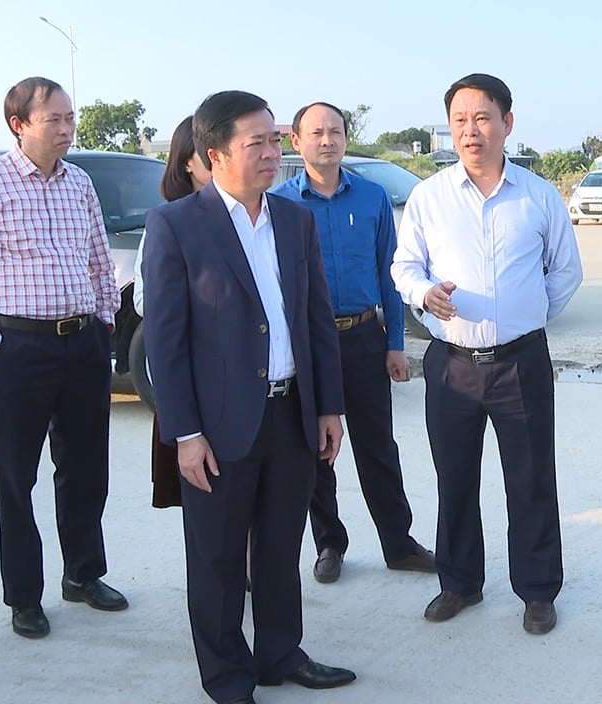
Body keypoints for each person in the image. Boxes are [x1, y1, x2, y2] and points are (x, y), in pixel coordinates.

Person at [142, 90, 355, 704]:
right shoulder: (178, 225)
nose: (271, 154)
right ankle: (229, 676)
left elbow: (316, 319)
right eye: (255, 143)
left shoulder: (295, 219)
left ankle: (280, 652)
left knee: (281, 544)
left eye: (273, 140)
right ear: (215, 154)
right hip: (217, 426)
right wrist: (183, 433)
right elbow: (165, 341)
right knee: (216, 558)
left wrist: (328, 406)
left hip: (292, 413)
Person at [391, 73, 582, 636]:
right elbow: (405, 267)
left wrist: (519, 316)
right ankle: (459, 583)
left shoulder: (538, 195)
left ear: (507, 123)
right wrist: (423, 297)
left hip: (520, 362)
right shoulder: (429, 197)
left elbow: (565, 272)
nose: (471, 131)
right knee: (454, 478)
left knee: (530, 479)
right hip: (450, 365)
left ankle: (539, 590)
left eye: (482, 118)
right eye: (459, 121)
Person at [0, 76, 128, 640]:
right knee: (16, 476)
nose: (67, 129)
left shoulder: (80, 183)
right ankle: (25, 595)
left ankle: (83, 575)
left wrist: (103, 321)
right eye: (55, 119)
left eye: (70, 118)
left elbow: (100, 260)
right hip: (20, 347)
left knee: (86, 466)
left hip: (83, 345)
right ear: (19, 125)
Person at [271, 102, 435, 584]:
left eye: (336, 131)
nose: (327, 140)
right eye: (316, 132)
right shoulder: (280, 204)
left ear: (346, 138)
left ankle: (398, 542)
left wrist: (395, 342)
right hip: (306, 342)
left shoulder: (372, 197)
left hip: (364, 336)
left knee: (378, 445)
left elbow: (392, 273)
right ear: (296, 142)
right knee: (317, 449)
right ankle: (329, 544)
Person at [133, 115, 212, 509]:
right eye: (209, 152)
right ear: (187, 162)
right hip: (195, 379)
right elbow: (145, 301)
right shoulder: (167, 222)